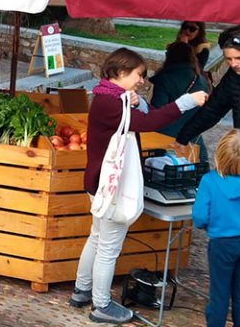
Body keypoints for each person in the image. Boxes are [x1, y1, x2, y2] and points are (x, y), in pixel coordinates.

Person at [69, 48, 207, 324]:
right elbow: (150, 122)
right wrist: (187, 102)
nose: (142, 80)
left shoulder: (106, 95)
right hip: (111, 187)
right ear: (120, 73)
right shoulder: (110, 104)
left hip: (97, 182)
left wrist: (136, 101)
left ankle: (81, 291)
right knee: (108, 247)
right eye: (138, 75)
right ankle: (101, 306)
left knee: (97, 238)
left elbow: (141, 113)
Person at [172, 25, 240, 325]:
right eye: (228, 59)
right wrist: (184, 136)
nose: (234, 64)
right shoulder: (234, 79)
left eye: (239, 58)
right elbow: (213, 109)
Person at [192, 129, 240, 327]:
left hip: (221, 245)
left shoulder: (210, 180)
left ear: (220, 154)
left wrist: (209, 225)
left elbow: (199, 217)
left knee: (219, 296)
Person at [149, 42, 210, 162]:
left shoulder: (165, 79)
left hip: (165, 139)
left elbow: (158, 110)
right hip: (192, 139)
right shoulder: (201, 80)